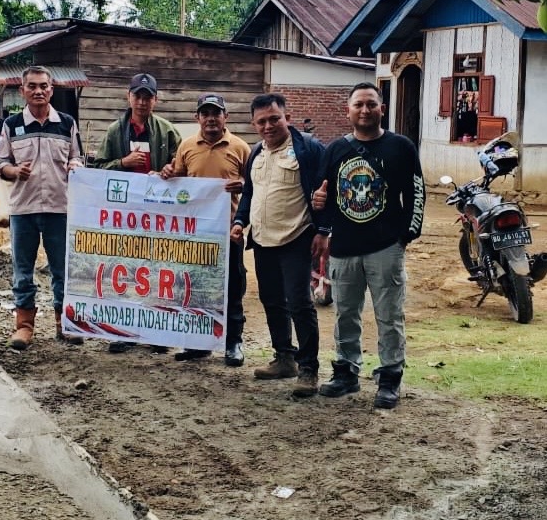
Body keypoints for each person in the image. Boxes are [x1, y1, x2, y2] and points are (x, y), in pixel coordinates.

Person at [311, 82, 425, 409]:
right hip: (344, 247)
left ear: (382, 109)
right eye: (358, 104)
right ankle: (346, 371)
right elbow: (323, 194)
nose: (365, 110)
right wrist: (320, 214)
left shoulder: (401, 147)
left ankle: (390, 377)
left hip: (385, 247)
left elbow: (416, 191)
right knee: (345, 313)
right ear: (347, 110)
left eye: (371, 104)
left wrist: (407, 235)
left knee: (389, 315)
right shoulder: (336, 150)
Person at [230, 93, 325, 397]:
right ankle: (285, 358)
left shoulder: (308, 149)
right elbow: (250, 194)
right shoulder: (256, 153)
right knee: (271, 300)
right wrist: (240, 221)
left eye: (274, 119)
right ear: (253, 124)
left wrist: (324, 230)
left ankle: (308, 369)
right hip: (262, 240)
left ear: (287, 118)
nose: (268, 126)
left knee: (299, 303)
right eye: (262, 121)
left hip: (297, 238)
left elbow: (326, 189)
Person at [0, 65, 85, 350]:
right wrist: (13, 171)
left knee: (62, 269)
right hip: (23, 209)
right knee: (23, 271)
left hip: (60, 208)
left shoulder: (67, 123)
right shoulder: (11, 125)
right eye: (32, 86)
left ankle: (64, 324)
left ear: (51, 90)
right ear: (22, 91)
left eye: (43, 86)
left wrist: (75, 165)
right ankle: (24, 326)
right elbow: (0, 163)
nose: (38, 91)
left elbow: (77, 157)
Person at [93, 72, 181, 354]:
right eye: (137, 96)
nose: (142, 102)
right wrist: (123, 162)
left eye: (148, 97)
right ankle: (125, 331)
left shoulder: (167, 130)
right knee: (125, 271)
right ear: (128, 97)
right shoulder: (115, 131)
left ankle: (158, 332)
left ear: (156, 100)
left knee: (158, 272)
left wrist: (170, 169)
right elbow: (98, 168)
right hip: (125, 216)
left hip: (159, 215)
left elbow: (183, 163)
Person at [160, 93, 250, 365]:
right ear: (197, 118)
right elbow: (178, 179)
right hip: (195, 232)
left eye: (216, 113)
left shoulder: (240, 147)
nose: (211, 119)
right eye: (205, 113)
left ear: (226, 117)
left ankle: (233, 342)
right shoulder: (187, 146)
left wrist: (243, 184)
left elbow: (255, 183)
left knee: (232, 288)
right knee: (195, 287)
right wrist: (168, 173)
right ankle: (198, 343)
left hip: (229, 231)